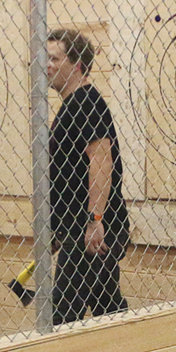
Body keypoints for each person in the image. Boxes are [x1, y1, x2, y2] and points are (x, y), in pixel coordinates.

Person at [46, 28, 128, 325]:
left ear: (78, 65)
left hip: (91, 232)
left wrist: (95, 221)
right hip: (81, 229)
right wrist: (58, 230)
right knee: (109, 307)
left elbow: (101, 161)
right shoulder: (72, 105)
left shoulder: (86, 103)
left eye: (55, 58)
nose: (47, 65)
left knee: (63, 317)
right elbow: (69, 174)